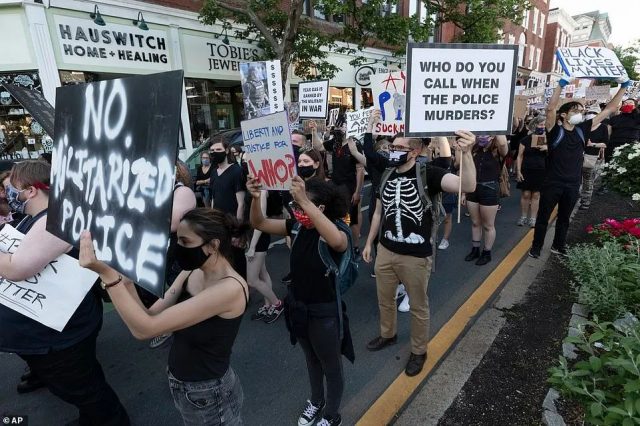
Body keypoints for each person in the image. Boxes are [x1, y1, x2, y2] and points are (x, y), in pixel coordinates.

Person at [79, 208, 248, 426]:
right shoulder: (192, 271)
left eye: (185, 242)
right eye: (178, 240)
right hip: (185, 385)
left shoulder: (230, 289)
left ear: (212, 246)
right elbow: (149, 314)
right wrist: (127, 283)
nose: (178, 247)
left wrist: (109, 278)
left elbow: (145, 329)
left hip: (208, 392)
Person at [0, 160, 130, 425]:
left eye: (12, 188)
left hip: (61, 336)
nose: (7, 194)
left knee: (86, 390)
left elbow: (17, 268)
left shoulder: (57, 219)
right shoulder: (40, 218)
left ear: (32, 190)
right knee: (81, 387)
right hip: (53, 334)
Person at [362, 122, 478, 377]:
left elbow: (467, 186)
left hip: (416, 256)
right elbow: (379, 211)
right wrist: (370, 242)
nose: (393, 150)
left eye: (399, 147)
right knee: (385, 299)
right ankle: (388, 334)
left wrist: (467, 154)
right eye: (392, 146)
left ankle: (418, 350)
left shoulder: (430, 174)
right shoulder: (387, 173)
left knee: (418, 305)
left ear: (414, 152)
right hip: (386, 249)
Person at [248, 176, 353, 426]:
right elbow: (259, 222)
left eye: (300, 205)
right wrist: (254, 199)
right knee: (311, 359)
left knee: (331, 365)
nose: (295, 210)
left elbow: (339, 243)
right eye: (295, 205)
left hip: (324, 311)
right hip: (298, 307)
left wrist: (304, 201)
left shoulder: (336, 229)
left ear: (321, 209)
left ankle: (331, 414)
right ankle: (316, 401)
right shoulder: (295, 226)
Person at [529, 78, 631, 258]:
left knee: (564, 219)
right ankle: (536, 247)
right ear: (564, 115)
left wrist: (623, 88)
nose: (580, 114)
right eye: (575, 111)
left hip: (572, 184)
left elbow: (610, 109)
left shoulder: (583, 129)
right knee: (543, 218)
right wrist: (560, 85)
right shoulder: (554, 131)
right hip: (552, 183)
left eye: (582, 111)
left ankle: (558, 246)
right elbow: (550, 108)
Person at [148, 160, 197, 349]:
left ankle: (185, 327)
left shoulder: (181, 192)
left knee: (184, 290)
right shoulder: (159, 193)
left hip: (181, 252)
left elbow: (173, 224)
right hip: (166, 253)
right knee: (171, 288)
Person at [313, 128, 366, 256]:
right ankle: (339, 243)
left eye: (342, 126)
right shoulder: (335, 142)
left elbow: (360, 170)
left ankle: (355, 246)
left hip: (349, 187)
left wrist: (357, 192)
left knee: (352, 218)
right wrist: (314, 131)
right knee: (336, 215)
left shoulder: (355, 144)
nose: (339, 129)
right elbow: (319, 147)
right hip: (336, 186)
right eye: (338, 126)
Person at [462, 134, 509, 266]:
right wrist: (463, 193)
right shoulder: (474, 149)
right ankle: (475, 249)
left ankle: (487, 252)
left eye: (487, 133)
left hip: (490, 189)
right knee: (475, 222)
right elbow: (466, 171)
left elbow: (503, 144)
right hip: (473, 189)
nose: (483, 136)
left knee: (488, 224)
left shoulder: (498, 151)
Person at [209, 140, 248, 279]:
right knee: (223, 258)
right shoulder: (214, 173)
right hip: (219, 225)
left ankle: (243, 291)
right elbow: (214, 198)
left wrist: (237, 231)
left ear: (226, 151)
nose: (214, 153)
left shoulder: (236, 171)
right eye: (212, 151)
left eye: (218, 149)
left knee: (237, 259)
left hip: (233, 225)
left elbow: (241, 204)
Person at [247, 189, 284, 323]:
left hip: (258, 238)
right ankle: (268, 305)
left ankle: (276, 303)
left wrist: (252, 247)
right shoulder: (255, 189)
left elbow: (260, 222)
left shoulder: (262, 191)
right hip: (252, 237)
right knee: (262, 273)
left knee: (252, 279)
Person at [515, 116, 548, 228]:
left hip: (541, 170)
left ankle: (533, 218)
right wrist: (518, 171)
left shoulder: (548, 139)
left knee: (536, 195)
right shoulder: (525, 140)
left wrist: (547, 148)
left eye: (544, 125)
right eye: (540, 125)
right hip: (527, 170)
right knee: (526, 194)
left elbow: (555, 154)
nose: (542, 127)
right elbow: (519, 156)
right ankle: (523, 217)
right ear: (534, 125)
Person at [580, 107, 608, 210]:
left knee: (588, 180)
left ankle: (585, 201)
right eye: (589, 112)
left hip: (591, 157)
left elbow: (605, 144)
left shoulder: (603, 127)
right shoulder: (582, 127)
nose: (591, 115)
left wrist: (593, 144)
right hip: (577, 157)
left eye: (594, 113)